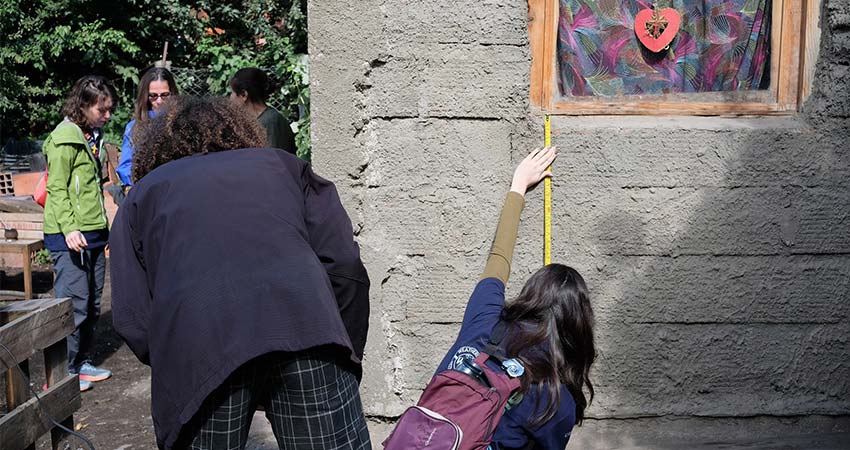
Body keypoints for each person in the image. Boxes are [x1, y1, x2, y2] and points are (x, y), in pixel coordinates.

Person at [109, 96, 371, 450]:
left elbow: (131, 312)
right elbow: (345, 267)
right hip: (307, 331)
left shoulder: (144, 194)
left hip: (200, 348)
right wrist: (343, 349)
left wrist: (174, 358)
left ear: (158, 148)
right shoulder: (286, 167)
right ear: (241, 131)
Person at [435, 146, 596, 449]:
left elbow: (497, 260)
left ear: (529, 297)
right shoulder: (555, 399)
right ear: (578, 328)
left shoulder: (484, 320)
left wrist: (518, 186)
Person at [42, 75, 117, 392]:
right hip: (69, 234)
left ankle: (81, 362)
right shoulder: (64, 139)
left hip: (94, 233)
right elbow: (57, 188)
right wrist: (69, 227)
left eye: (110, 109)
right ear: (84, 106)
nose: (108, 115)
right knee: (73, 304)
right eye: (103, 110)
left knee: (93, 305)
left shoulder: (94, 136)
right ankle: (62, 374)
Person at [116, 67, 178, 190]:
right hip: (147, 188)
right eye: (153, 96)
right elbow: (125, 167)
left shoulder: (183, 122)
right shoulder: (134, 127)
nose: (159, 101)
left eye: (165, 95)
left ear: (173, 93)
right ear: (145, 96)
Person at [229, 67, 296, 154]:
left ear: (243, 94)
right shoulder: (255, 121)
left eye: (232, 92)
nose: (230, 98)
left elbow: (273, 162)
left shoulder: (270, 122)